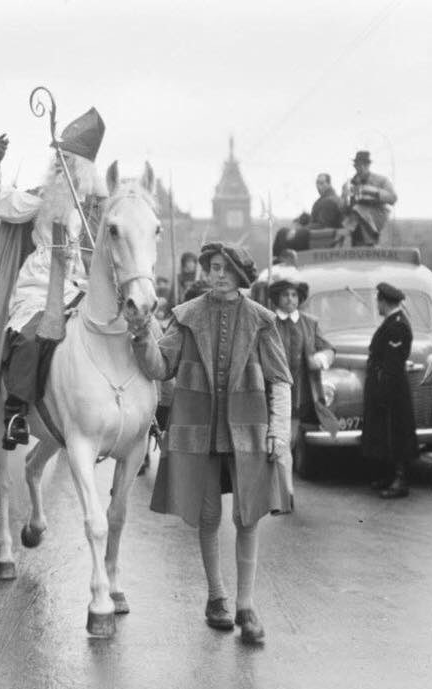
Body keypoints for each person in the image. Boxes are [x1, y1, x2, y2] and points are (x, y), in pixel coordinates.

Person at [129, 242, 292, 645]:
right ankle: (216, 596)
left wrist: (280, 432)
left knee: (248, 516)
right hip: (198, 434)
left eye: (224, 268)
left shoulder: (261, 320)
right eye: (212, 268)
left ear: (239, 275)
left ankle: (247, 605)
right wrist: (141, 334)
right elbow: (159, 367)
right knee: (207, 516)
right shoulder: (187, 317)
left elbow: (280, 380)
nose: (216, 274)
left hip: (249, 433)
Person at [0, 108, 107, 447]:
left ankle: (151, 414)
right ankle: (16, 410)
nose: (59, 165)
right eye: (57, 159)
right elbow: (0, 204)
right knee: (29, 337)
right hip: (41, 285)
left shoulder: (97, 207)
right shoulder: (42, 196)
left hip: (83, 283)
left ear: (82, 169)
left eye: (67, 160)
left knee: (128, 329)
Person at [362, 282, 416, 498]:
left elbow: (392, 364)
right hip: (385, 385)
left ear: (384, 301)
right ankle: (389, 476)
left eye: (378, 301)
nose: (377, 305)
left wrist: (383, 393)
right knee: (386, 434)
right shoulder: (392, 322)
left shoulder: (397, 326)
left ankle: (400, 480)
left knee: (397, 434)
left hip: (392, 389)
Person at [268, 278, 335, 446]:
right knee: (273, 437)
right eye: (285, 295)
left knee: (290, 439)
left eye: (294, 295)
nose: (290, 299)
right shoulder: (268, 322)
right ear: (277, 298)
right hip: (271, 388)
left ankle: (286, 466)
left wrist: (318, 360)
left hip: (300, 390)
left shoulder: (310, 323)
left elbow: (328, 349)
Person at [343, 151, 397, 246]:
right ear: (355, 166)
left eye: (364, 164)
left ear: (368, 165)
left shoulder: (381, 180)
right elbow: (344, 208)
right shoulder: (350, 183)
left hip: (376, 223)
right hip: (356, 227)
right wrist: (345, 196)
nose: (361, 168)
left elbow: (392, 198)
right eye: (358, 165)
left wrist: (374, 191)